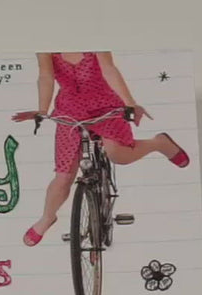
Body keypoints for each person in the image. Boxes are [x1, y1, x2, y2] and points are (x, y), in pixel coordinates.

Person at [11, 51, 189, 246]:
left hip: (105, 105)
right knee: (63, 177)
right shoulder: (47, 49)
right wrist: (42, 110)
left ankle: (158, 143)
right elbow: (46, 76)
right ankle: (47, 218)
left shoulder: (93, 43)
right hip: (70, 110)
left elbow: (109, 69)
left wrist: (130, 104)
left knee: (117, 154)